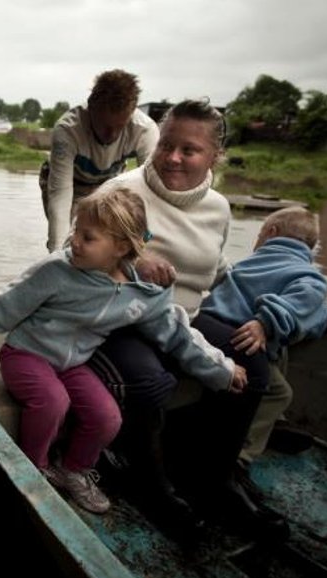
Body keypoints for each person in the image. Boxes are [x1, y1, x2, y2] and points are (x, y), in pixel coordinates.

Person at [0, 189, 247, 515]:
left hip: (73, 364)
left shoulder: (142, 293)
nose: (74, 241)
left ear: (120, 247)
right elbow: (7, 303)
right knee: (53, 401)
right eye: (76, 230)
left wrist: (222, 369)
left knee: (106, 417)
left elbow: (178, 335)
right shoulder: (57, 270)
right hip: (27, 355)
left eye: (87, 237)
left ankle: (73, 469)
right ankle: (35, 469)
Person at [89, 99, 289, 542]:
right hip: (120, 317)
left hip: (185, 317)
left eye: (190, 150)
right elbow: (74, 253)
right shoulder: (120, 191)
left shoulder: (218, 207)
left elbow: (217, 271)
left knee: (252, 364)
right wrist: (130, 259)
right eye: (167, 145)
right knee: (149, 378)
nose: (173, 158)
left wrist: (271, 312)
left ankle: (215, 478)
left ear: (215, 157)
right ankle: (152, 485)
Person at [198, 206, 327, 468]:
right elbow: (309, 298)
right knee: (279, 393)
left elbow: (304, 301)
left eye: (258, 235)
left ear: (271, 232)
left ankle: (273, 424)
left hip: (208, 326)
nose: (256, 241)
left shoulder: (252, 262)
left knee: (278, 353)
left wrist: (270, 321)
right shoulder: (306, 273)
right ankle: (240, 453)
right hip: (238, 338)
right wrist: (266, 322)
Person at [40, 69, 160, 253]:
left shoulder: (145, 130)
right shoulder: (67, 130)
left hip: (109, 182)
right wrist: (56, 254)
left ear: (132, 112)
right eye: (105, 125)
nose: (111, 135)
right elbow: (60, 196)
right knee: (76, 241)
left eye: (120, 126)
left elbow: (151, 191)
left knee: (111, 241)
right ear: (91, 107)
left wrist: (147, 246)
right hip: (69, 182)